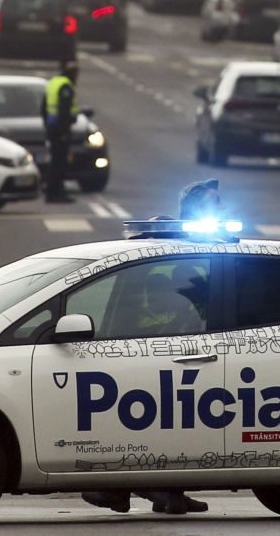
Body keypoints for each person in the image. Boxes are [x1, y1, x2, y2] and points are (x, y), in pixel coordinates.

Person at [80, 180, 222, 516]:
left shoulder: (205, 244)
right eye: (213, 203)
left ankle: (166, 490)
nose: (219, 209)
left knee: (182, 424)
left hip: (190, 348)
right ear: (192, 208)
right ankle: (132, 487)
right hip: (151, 346)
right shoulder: (164, 239)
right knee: (152, 423)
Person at [42, 61, 79, 203]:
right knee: (60, 162)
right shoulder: (65, 87)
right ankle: (56, 192)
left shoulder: (53, 83)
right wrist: (64, 131)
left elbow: (44, 108)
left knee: (54, 160)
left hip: (52, 127)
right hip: (60, 129)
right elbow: (64, 111)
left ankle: (52, 190)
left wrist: (47, 125)